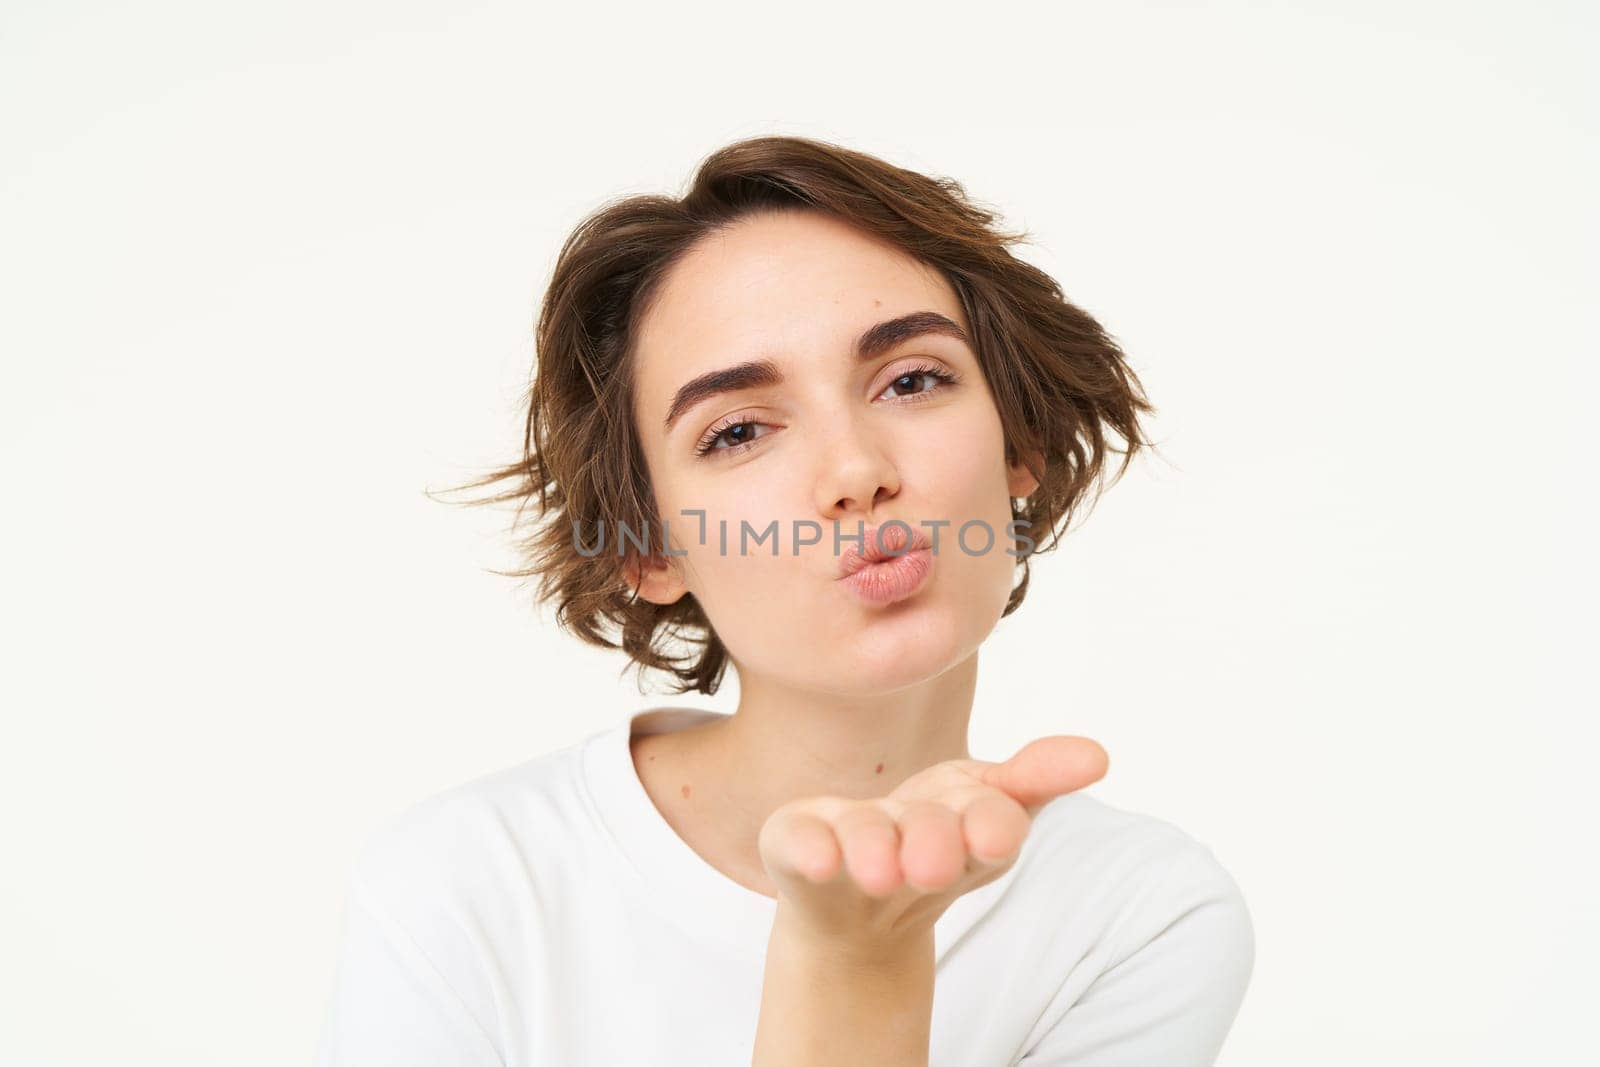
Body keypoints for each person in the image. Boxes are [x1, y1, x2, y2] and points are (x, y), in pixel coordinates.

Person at [314, 135, 1254, 1065]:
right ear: (647, 546)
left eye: (913, 379)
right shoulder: (465, 887)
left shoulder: (1139, 915)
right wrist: (851, 961)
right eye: (737, 432)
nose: (855, 471)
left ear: (1022, 442)